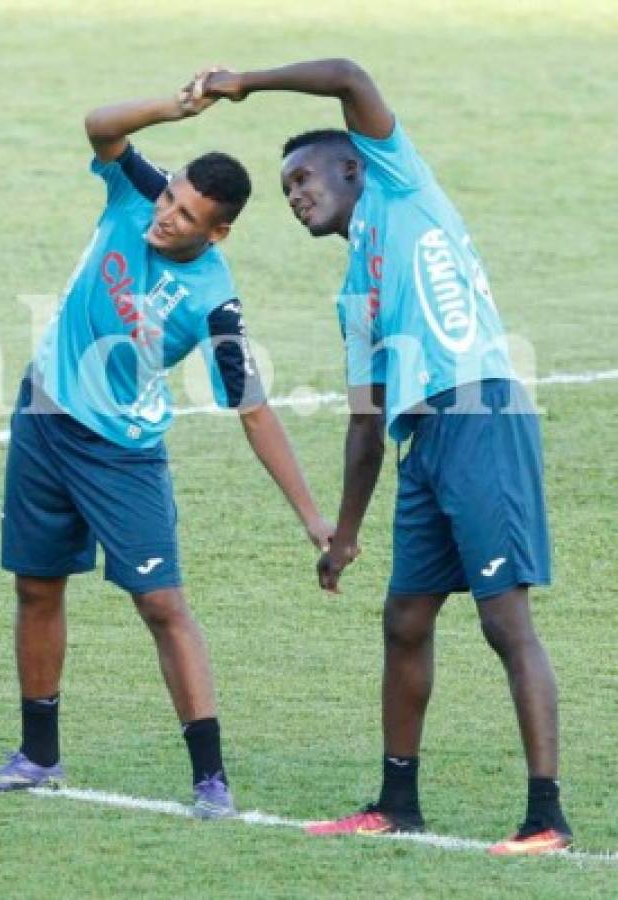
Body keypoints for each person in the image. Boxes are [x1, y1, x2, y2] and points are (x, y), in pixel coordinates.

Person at [197, 58, 572, 855]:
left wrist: (247, 83)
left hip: (480, 412)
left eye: (304, 176)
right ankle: (397, 803)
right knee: (404, 620)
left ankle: (546, 817)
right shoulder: (352, 295)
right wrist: (343, 534)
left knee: (505, 622)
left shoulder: (401, 186)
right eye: (287, 188)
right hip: (423, 442)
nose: (296, 193)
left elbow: (345, 75)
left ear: (353, 166)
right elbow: (364, 422)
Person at [0, 76, 332, 818]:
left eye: (185, 214)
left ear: (216, 232)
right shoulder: (137, 192)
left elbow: (253, 412)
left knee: (160, 604)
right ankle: (37, 755)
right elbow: (98, 123)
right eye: (168, 199)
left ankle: (210, 779)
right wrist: (172, 107)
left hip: (121, 453)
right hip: (41, 415)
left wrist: (311, 517)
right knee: (35, 586)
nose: (164, 216)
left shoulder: (214, 304)